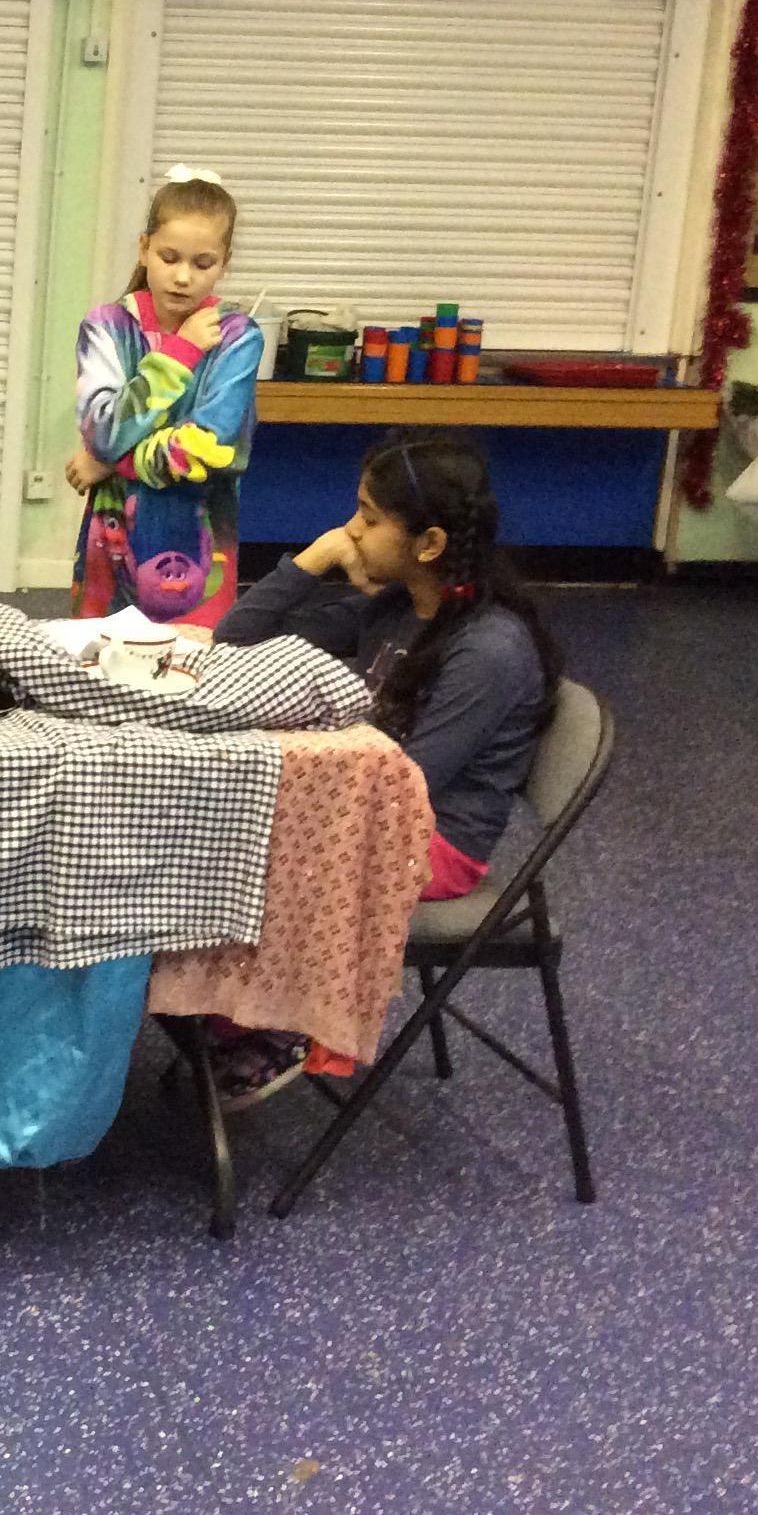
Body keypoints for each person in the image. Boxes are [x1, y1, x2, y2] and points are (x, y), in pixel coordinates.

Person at [202, 430, 563, 1107]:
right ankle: (224, 1010)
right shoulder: (397, 608)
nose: (351, 531)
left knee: (244, 848)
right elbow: (236, 640)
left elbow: (407, 787)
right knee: (213, 823)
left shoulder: (487, 651)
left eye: (368, 519)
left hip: (432, 841)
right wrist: (312, 560)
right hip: (369, 801)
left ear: (428, 544)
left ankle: (279, 1024)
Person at [67, 166, 265, 628]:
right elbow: (103, 431)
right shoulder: (107, 326)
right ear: (144, 248)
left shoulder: (238, 337)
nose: (182, 277)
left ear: (224, 263)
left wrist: (109, 463)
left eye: (203, 264)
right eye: (169, 257)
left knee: (186, 662)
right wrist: (179, 353)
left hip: (198, 548)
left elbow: (207, 450)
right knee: (98, 657)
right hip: (111, 545)